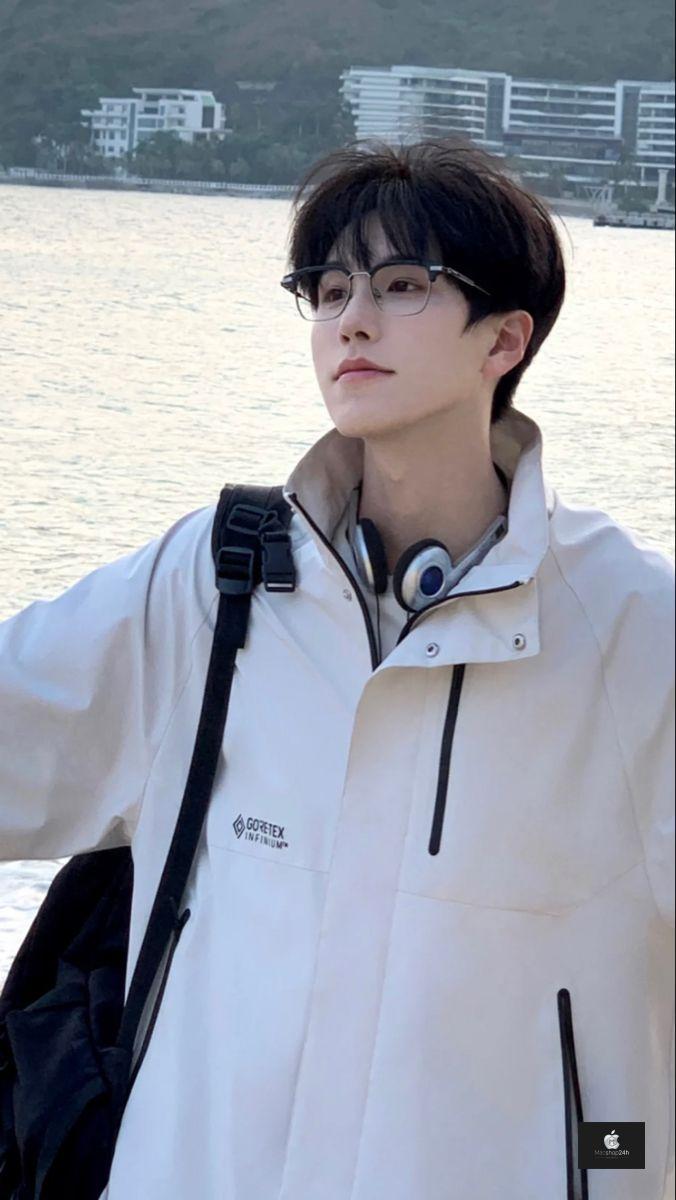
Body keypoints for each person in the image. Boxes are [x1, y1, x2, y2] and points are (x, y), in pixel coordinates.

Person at [0, 136, 673, 1199]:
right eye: (327, 288)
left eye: (403, 284)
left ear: (506, 337)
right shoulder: (214, 583)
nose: (351, 319)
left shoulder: (631, 629)